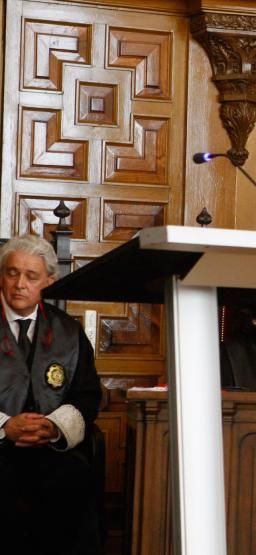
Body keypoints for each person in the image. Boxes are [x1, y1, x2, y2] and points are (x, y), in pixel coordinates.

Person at [0, 234, 102, 552]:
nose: (19, 284)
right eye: (12, 273)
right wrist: (5, 425)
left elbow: (86, 394)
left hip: (50, 449)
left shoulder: (68, 332)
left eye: (31, 276)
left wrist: (54, 426)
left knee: (73, 477)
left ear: (49, 280)